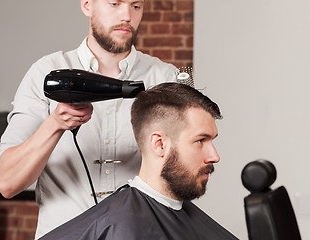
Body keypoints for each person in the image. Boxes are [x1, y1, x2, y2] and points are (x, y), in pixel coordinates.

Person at [0, 0, 178, 239]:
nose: (127, 16)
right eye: (114, 3)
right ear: (87, 5)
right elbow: (8, 183)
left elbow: (184, 174)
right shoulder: (45, 73)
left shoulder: (164, 77)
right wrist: (55, 124)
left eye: (136, 6)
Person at [38, 82, 238, 240]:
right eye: (200, 140)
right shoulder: (115, 225)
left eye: (212, 140)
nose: (215, 156)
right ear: (160, 144)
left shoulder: (190, 218)